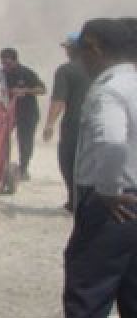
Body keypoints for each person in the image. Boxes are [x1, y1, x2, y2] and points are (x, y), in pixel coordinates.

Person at [18, 18, 137, 318]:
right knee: (132, 294)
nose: (79, 58)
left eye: (82, 50)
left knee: (87, 295)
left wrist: (106, 190)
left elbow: (111, 142)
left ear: (96, 47)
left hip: (111, 204)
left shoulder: (108, 90)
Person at [0, 48, 46, 180]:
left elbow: (42, 89)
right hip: (7, 111)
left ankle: (23, 169)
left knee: (24, 141)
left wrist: (25, 90)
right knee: (1, 138)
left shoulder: (26, 73)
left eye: (8, 63)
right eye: (3, 63)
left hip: (27, 112)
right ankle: (0, 165)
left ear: (15, 61)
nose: (5, 66)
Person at [44, 35, 91, 208]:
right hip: (98, 124)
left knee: (68, 161)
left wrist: (49, 124)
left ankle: (74, 199)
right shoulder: (102, 68)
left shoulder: (66, 70)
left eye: (67, 48)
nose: (66, 51)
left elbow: (59, 100)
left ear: (74, 49)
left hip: (74, 124)